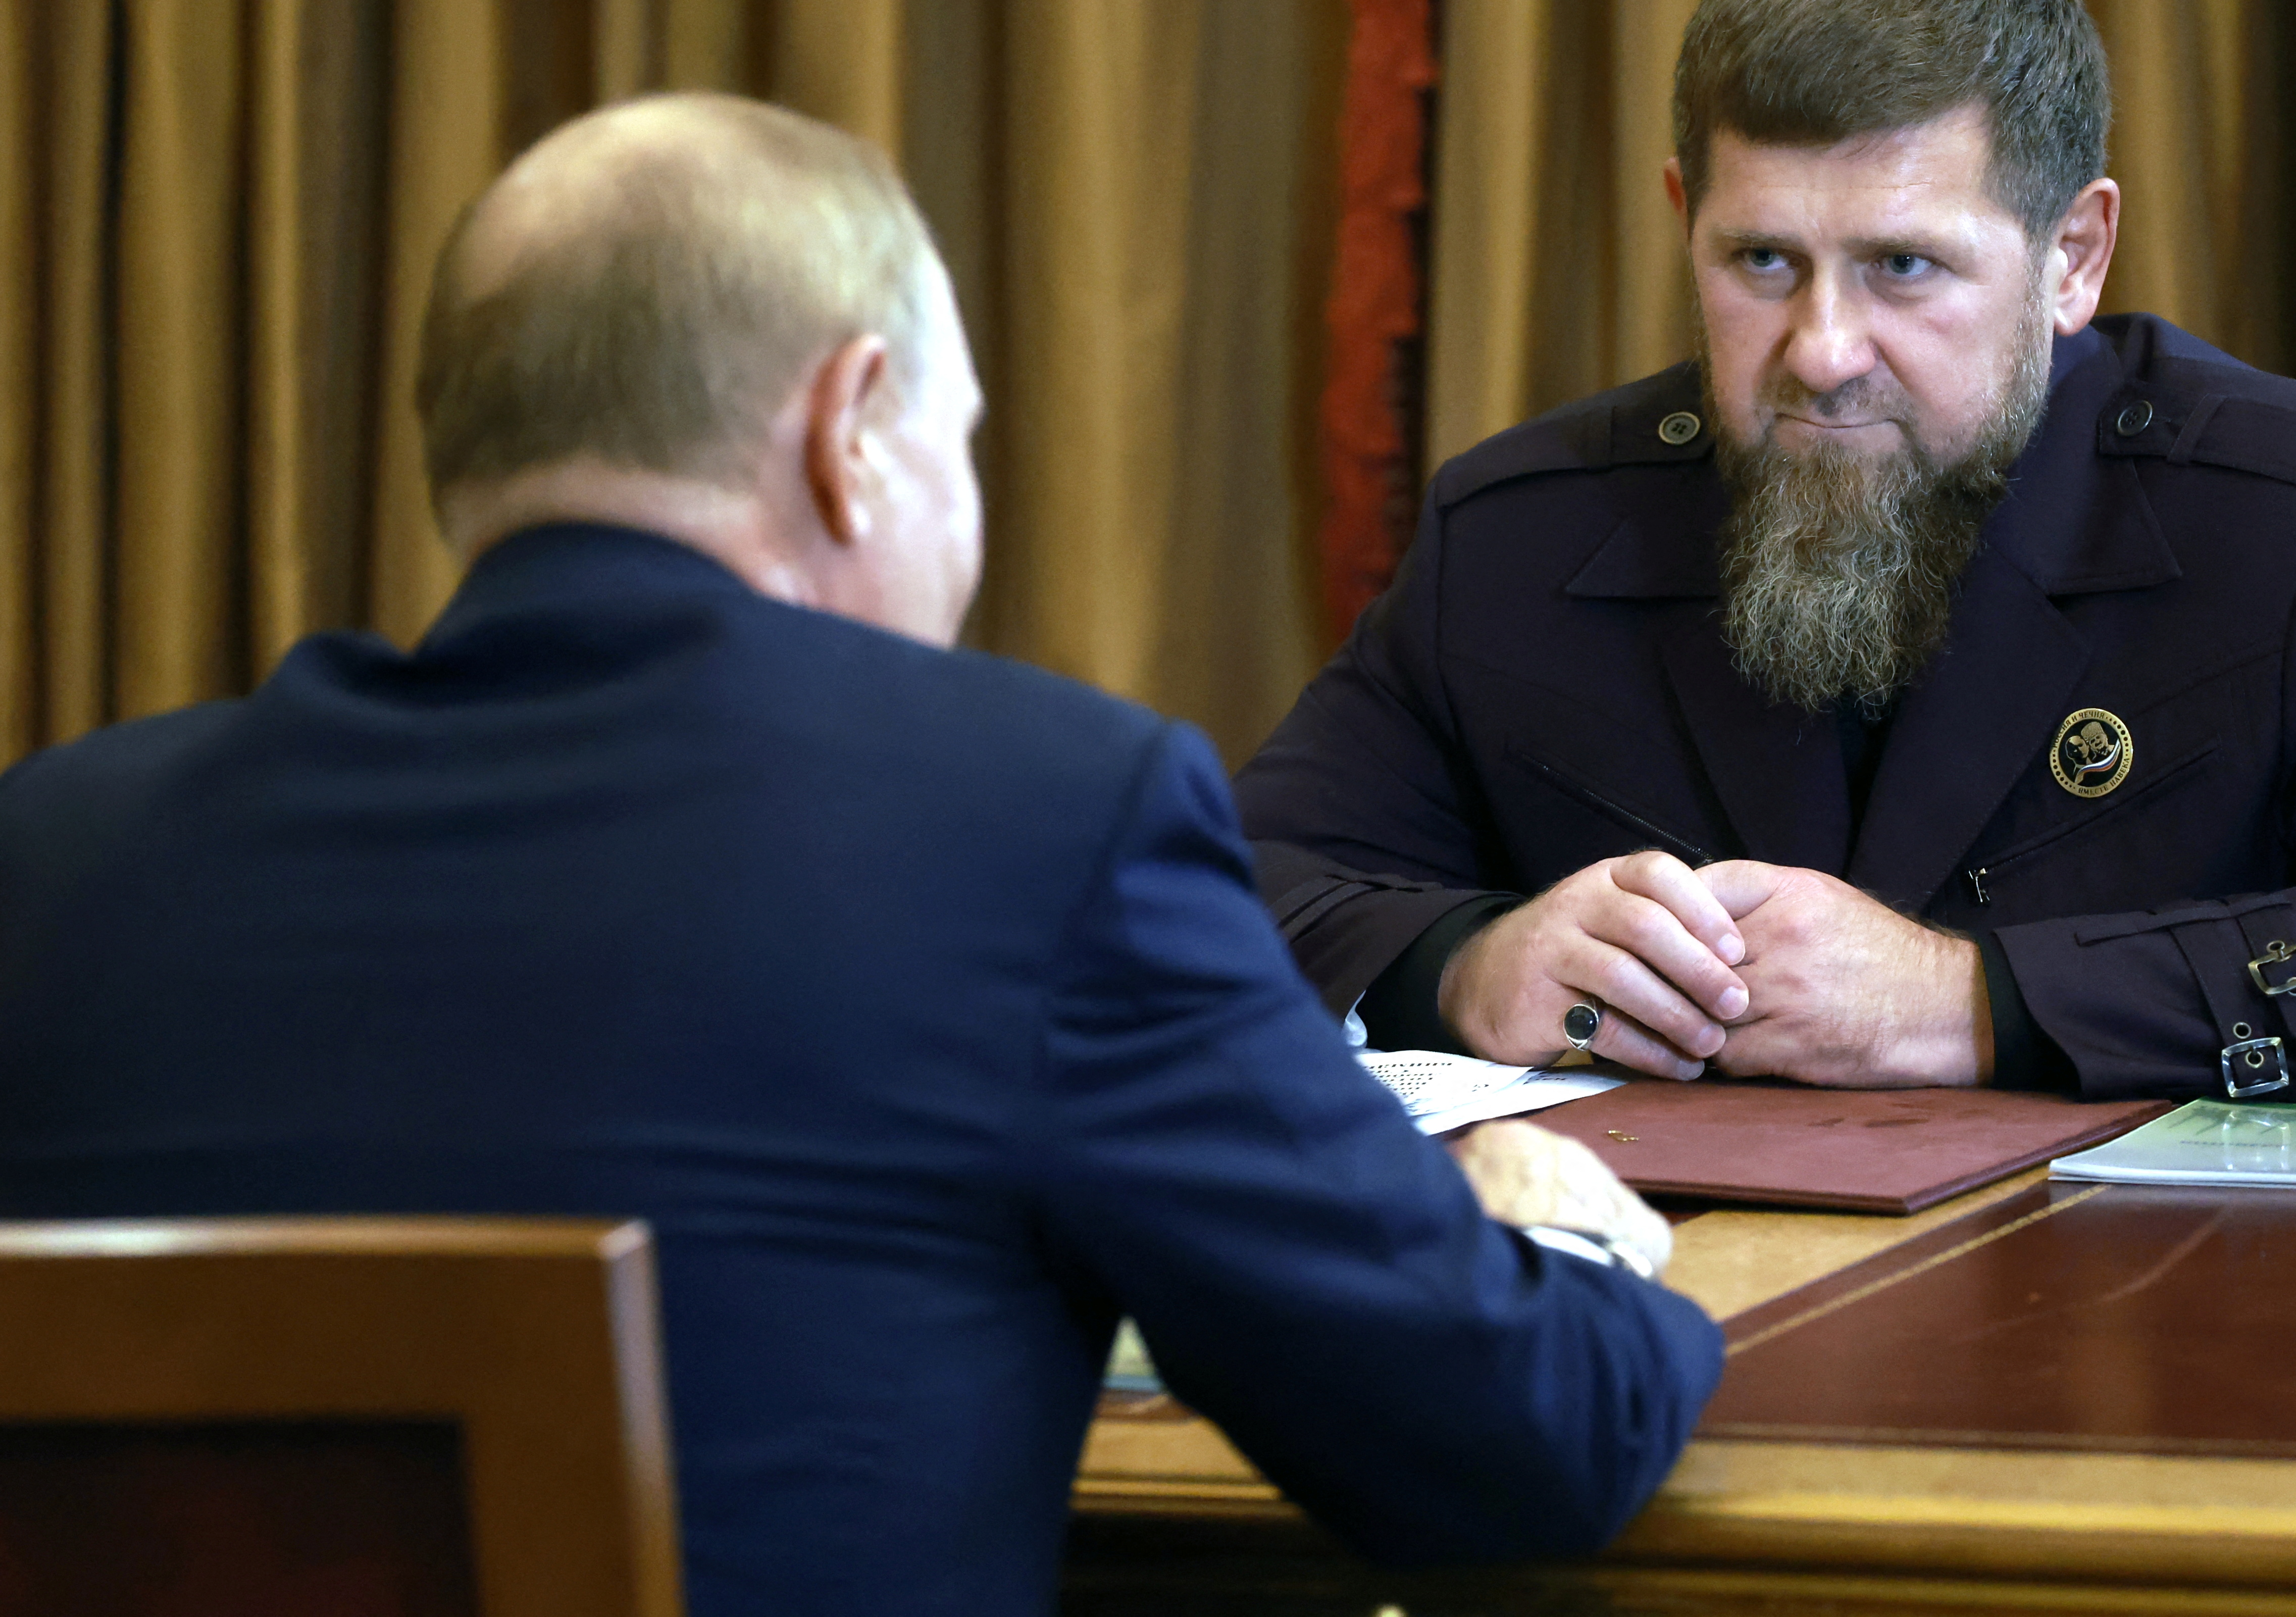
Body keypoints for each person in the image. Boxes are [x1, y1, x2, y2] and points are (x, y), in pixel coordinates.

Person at [0, 95, 1721, 1616]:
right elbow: (1513, 1444)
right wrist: (1550, 1239)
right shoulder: (1037, 822)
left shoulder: (56, 854)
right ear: (853, 424)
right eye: (961, 441)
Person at [1237, 0, 2296, 1105]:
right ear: (1683, 219)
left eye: (1903, 267)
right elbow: (1205, 896)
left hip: (2148, 1339)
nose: (1822, 349)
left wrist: (1970, 1002)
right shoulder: (1519, 532)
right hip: (1658, 1319)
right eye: (1761, 262)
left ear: (2072, 255)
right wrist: (1465, 967)